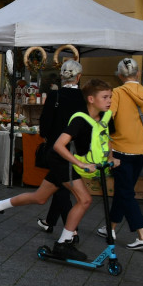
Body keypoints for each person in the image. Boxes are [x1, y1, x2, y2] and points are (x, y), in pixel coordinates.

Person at [0, 79, 117, 263]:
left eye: (110, 97)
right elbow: (59, 146)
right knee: (85, 200)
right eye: (105, 97)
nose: (109, 101)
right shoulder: (80, 120)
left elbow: (105, 139)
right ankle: (63, 243)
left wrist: (110, 158)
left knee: (40, 197)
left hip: (67, 162)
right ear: (91, 99)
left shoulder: (104, 118)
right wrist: (80, 164)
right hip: (63, 161)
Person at [100, 57, 143, 249]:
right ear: (138, 73)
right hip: (142, 148)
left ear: (120, 75)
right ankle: (111, 227)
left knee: (126, 192)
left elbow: (108, 119)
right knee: (124, 190)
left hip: (121, 148)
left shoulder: (117, 93)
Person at [35, 61, 86, 235]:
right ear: (79, 77)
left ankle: (72, 231)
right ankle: (49, 222)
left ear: (62, 76)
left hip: (56, 148)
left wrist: (47, 136)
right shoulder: (84, 97)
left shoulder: (55, 95)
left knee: (61, 188)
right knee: (61, 184)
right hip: (76, 147)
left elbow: (45, 123)